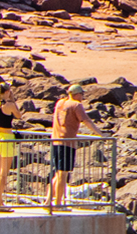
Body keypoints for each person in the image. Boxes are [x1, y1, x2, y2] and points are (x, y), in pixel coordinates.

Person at [46, 85, 102, 213]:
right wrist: (100, 134)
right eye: (82, 94)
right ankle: (58, 204)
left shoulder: (60, 103)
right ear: (77, 94)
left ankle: (48, 201)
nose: (82, 97)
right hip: (66, 143)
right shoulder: (76, 105)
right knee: (63, 174)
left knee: (58, 173)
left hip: (56, 141)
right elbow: (86, 120)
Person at [0, 84, 20, 213]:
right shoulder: (10, 105)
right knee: (3, 172)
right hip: (6, 137)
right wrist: (12, 100)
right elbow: (18, 115)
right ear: (7, 91)